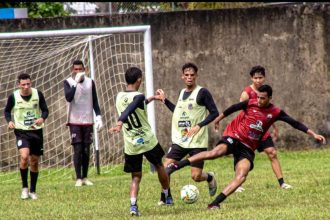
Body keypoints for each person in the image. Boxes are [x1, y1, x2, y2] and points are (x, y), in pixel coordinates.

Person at [166, 84, 326, 209]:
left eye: (263, 98)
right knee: (215, 152)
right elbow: (233, 108)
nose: (259, 100)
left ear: (270, 98)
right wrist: (219, 119)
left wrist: (313, 134)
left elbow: (295, 123)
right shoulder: (250, 103)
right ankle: (177, 165)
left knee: (241, 176)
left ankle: (215, 203)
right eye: (258, 97)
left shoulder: (276, 112)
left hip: (248, 148)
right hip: (234, 137)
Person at [108, 67, 173, 216]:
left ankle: (133, 206)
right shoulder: (138, 96)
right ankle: (167, 195)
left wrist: (153, 98)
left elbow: (136, 104)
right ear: (139, 79)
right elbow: (131, 107)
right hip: (147, 140)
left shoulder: (119, 96)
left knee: (136, 177)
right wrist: (119, 122)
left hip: (131, 143)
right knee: (159, 165)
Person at [156, 62, 219, 203]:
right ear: (182, 77)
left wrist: (199, 125)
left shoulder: (203, 92)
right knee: (166, 168)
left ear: (196, 76)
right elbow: (178, 112)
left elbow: (214, 113)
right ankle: (166, 198)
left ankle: (209, 177)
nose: (189, 77)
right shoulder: (181, 93)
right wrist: (165, 101)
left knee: (196, 177)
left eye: (192, 75)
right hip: (181, 140)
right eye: (186, 75)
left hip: (197, 141)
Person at [235, 65, 291, 192]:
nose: (258, 80)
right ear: (251, 78)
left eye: (260, 77)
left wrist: (274, 127)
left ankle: (282, 183)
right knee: (243, 157)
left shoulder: (266, 92)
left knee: (272, 153)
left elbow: (269, 114)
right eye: (255, 78)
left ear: (264, 78)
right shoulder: (246, 94)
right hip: (248, 131)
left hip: (262, 131)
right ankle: (238, 184)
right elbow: (241, 113)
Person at [4, 73, 49, 200]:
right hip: (21, 131)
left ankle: (33, 191)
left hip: (36, 131)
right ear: (19, 84)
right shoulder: (13, 96)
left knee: (34, 161)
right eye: (23, 84)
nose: (26, 86)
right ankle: (24, 188)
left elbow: (45, 110)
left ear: (31, 83)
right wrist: (10, 121)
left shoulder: (37, 94)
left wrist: (42, 118)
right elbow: (7, 111)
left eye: (28, 84)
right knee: (24, 157)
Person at [64, 60, 103, 187]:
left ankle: (85, 177)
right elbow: (68, 97)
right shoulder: (68, 82)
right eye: (76, 69)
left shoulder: (90, 82)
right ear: (72, 70)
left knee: (86, 149)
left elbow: (95, 101)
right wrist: (75, 82)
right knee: (78, 149)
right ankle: (78, 178)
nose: (78, 71)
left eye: (80, 69)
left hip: (87, 120)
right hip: (74, 120)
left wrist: (98, 117)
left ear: (84, 69)